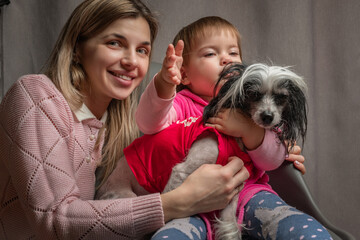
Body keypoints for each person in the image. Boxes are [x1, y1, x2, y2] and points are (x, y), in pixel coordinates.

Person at [0, 2, 249, 239]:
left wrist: (271, 143)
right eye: (115, 43)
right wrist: (178, 202)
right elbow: (56, 221)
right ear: (77, 49)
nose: (131, 61)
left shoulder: (121, 124)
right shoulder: (35, 96)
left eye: (142, 50)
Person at [131, 16, 330, 239]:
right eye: (210, 53)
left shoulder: (256, 109)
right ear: (184, 74)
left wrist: (249, 130)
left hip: (247, 193)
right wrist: (165, 85)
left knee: (297, 224)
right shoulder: (182, 104)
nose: (226, 60)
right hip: (190, 199)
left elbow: (271, 161)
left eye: (233, 53)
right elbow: (149, 124)